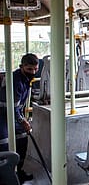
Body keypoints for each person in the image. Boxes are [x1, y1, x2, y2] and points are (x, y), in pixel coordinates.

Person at [0, 53, 39, 183]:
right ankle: (5, 177)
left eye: (35, 69)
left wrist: (22, 120)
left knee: (22, 141)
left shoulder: (26, 80)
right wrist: (22, 120)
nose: (33, 72)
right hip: (2, 116)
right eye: (29, 69)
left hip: (14, 115)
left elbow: (19, 106)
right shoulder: (15, 80)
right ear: (21, 67)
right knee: (4, 145)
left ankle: (19, 173)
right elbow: (11, 107)